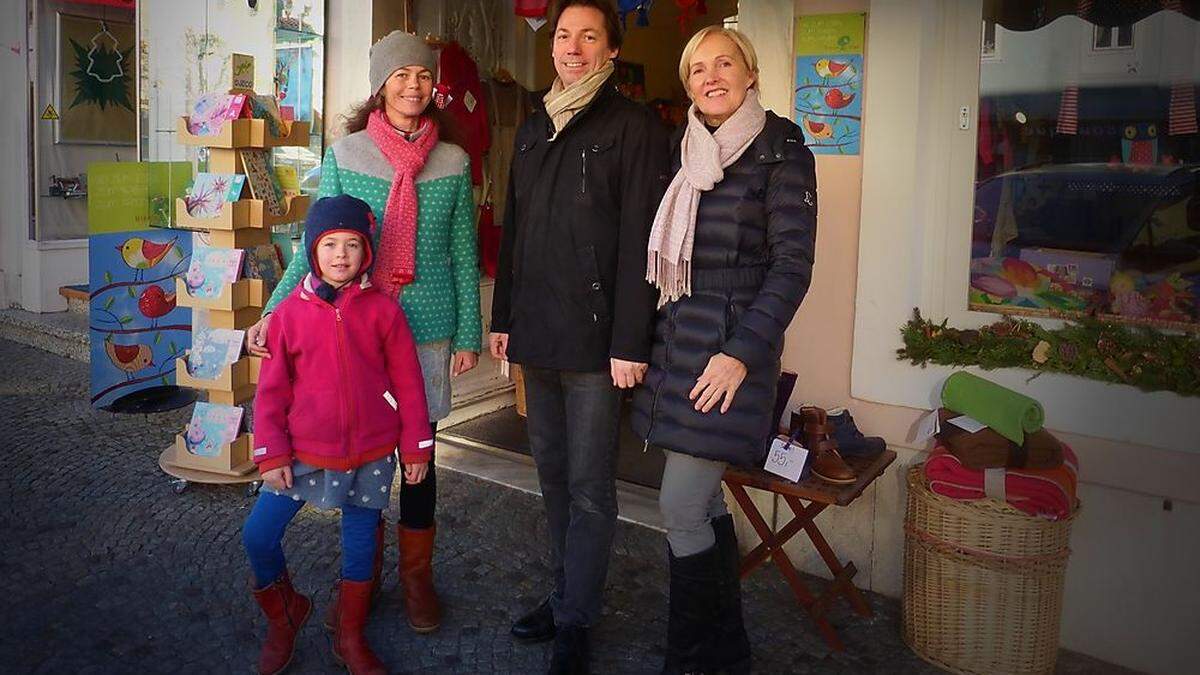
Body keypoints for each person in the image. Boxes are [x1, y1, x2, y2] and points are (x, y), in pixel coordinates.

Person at [246, 30, 481, 634]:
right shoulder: (347, 154)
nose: (413, 86)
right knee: (371, 451)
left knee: (419, 456)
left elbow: (462, 252)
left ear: (436, 87)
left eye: (424, 77)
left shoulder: (453, 161)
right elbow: (316, 243)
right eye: (401, 75)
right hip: (356, 325)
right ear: (381, 85)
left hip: (427, 327)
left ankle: (416, 579)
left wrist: (468, 334)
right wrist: (274, 308)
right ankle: (366, 569)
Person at [629, 26, 818, 674]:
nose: (711, 77)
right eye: (696, 69)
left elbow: (792, 266)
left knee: (679, 504)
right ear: (687, 85)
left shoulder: (781, 147)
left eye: (723, 63)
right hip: (678, 343)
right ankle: (726, 649)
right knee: (704, 503)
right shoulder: (683, 153)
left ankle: (688, 658)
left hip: (732, 358)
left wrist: (740, 353)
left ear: (750, 72)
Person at [488, 1, 670, 672]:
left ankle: (578, 619)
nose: (572, 46)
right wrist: (502, 315)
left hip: (597, 345)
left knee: (591, 484)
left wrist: (631, 341)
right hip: (536, 333)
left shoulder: (633, 126)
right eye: (564, 34)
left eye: (589, 35)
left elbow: (639, 244)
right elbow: (515, 227)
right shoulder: (537, 127)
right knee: (555, 478)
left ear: (610, 51)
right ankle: (566, 593)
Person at [243, 194, 434, 675]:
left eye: (352, 244)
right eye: (330, 244)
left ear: (367, 251)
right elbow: (270, 393)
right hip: (302, 454)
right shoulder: (287, 314)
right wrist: (271, 452)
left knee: (360, 547)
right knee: (258, 535)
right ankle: (286, 614)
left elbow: (409, 384)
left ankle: (349, 636)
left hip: (369, 455)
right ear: (313, 249)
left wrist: (416, 446)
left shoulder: (384, 312)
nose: (341, 255)